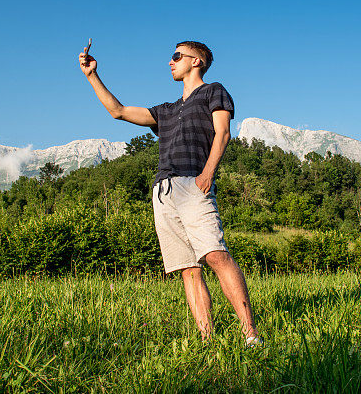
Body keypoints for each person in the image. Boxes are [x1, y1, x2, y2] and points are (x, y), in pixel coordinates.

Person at [79, 40, 261, 345]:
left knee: (215, 255)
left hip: (194, 183)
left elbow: (223, 132)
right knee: (188, 270)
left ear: (196, 61)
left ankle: (250, 334)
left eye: (177, 56)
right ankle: (207, 340)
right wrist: (92, 76)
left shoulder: (212, 90)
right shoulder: (166, 110)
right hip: (163, 191)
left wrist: (207, 173)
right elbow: (118, 111)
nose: (170, 61)